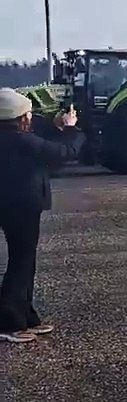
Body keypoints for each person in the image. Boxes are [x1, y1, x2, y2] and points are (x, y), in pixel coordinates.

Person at [0, 87, 83, 343]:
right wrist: (71, 128)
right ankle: (10, 322)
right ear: (18, 118)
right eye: (27, 114)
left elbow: (40, 137)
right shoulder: (22, 140)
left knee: (24, 262)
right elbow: (64, 153)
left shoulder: (11, 137)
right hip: (22, 205)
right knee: (21, 263)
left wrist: (56, 126)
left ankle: (26, 317)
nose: (30, 118)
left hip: (10, 204)